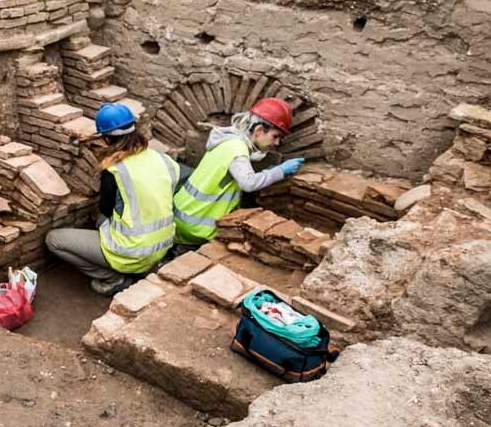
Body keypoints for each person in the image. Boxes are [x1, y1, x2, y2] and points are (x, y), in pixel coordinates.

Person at [45, 102, 180, 296]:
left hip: (133, 252)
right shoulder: (164, 160)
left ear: (107, 138)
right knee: (104, 219)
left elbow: (106, 210)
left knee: (54, 239)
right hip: (162, 245)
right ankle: (143, 268)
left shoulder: (115, 171)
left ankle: (113, 278)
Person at [173, 98, 305, 246]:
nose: (277, 143)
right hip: (197, 225)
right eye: (276, 136)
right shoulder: (238, 149)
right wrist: (280, 170)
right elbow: (249, 183)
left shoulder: (228, 140)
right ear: (259, 130)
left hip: (181, 213)